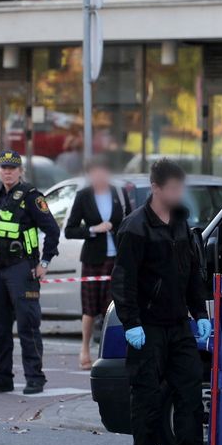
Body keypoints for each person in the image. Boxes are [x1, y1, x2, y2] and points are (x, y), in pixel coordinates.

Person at [112, 159, 211, 445]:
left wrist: (200, 314)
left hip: (178, 324)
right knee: (147, 393)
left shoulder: (181, 223)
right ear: (156, 188)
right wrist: (131, 323)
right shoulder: (135, 227)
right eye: (172, 188)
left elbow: (192, 273)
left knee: (189, 387)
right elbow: (123, 280)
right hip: (148, 325)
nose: (178, 193)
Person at [0, 150, 61, 395]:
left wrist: (44, 263)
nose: (8, 172)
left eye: (12, 168)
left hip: (21, 269)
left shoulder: (31, 197)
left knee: (27, 324)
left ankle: (35, 377)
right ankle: (1, 377)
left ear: (20, 170)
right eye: (4, 168)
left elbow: (52, 230)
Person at [64, 157, 126, 369]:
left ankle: (112, 350)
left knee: (113, 305)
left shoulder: (118, 193)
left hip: (115, 258)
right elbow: (69, 229)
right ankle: (84, 349)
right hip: (93, 259)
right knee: (90, 308)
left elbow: (126, 220)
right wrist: (93, 229)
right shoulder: (83, 196)